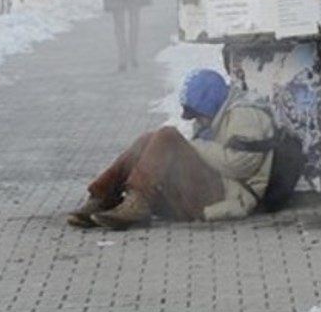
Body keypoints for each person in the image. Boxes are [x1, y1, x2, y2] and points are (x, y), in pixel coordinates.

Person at [67, 69, 275, 230]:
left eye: (198, 115)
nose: (197, 121)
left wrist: (192, 146)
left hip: (230, 196)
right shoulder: (217, 114)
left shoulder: (246, 116)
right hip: (214, 187)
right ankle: (101, 198)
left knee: (168, 136)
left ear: (210, 103)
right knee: (149, 140)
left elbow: (239, 166)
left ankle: (138, 202)